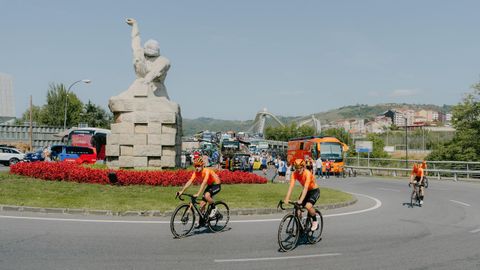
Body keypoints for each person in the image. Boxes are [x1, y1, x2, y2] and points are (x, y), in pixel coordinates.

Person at [177, 158, 222, 225]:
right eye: (195, 166)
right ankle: (201, 222)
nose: (197, 167)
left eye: (198, 166)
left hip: (216, 184)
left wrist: (198, 193)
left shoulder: (206, 171)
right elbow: (190, 181)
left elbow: (204, 183)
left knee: (207, 196)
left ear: (202, 166)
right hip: (210, 185)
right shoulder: (196, 172)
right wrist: (182, 191)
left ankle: (214, 208)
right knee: (202, 204)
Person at [283, 159, 321, 231]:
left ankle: (315, 221)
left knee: (308, 206)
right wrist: (286, 198)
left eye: (300, 167)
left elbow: (306, 188)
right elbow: (291, 187)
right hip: (306, 191)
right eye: (296, 168)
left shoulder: (308, 173)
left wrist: (300, 200)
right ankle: (300, 226)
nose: (298, 169)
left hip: (314, 191)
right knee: (297, 209)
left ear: (303, 167)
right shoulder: (294, 174)